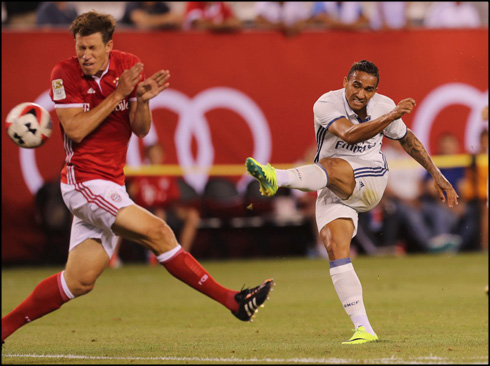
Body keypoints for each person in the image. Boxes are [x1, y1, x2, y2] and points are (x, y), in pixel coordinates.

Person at [1, 10, 274, 344]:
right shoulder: (64, 73)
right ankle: (234, 301)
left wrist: (141, 100)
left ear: (108, 46)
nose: (84, 55)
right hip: (83, 182)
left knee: (79, 281)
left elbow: (141, 129)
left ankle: (2, 329)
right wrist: (118, 95)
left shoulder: (128, 65)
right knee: (160, 231)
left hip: (110, 183)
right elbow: (75, 128)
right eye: (80, 48)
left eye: (91, 48)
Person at [245, 60, 458, 344]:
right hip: (333, 184)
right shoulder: (326, 104)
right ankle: (364, 328)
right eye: (356, 85)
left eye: (369, 89)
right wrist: (392, 116)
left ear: (375, 91)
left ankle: (276, 178)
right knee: (335, 246)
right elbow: (349, 133)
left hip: (371, 180)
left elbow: (408, 141)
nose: (361, 93)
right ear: (345, 80)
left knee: (331, 165)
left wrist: (437, 174)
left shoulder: (383, 106)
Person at [111, 142, 201, 266]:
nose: (154, 157)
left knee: (192, 215)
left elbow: (173, 201)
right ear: (147, 157)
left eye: (157, 154)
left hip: (166, 212)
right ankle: (147, 256)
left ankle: (183, 257)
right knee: (119, 215)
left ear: (162, 156)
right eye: (152, 155)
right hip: (144, 213)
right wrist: (133, 192)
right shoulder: (140, 175)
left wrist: (180, 211)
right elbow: (131, 199)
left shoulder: (167, 175)